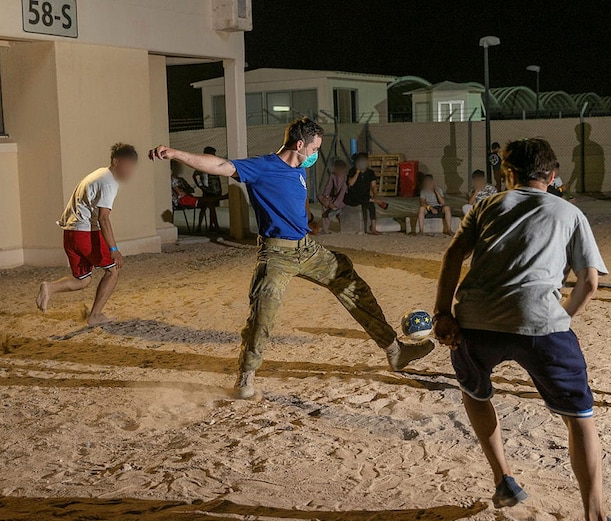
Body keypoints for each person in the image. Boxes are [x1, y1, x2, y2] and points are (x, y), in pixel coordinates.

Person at [433, 138, 611, 521]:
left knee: (475, 391)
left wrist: (442, 314)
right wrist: (561, 318)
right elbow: (589, 283)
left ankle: (503, 480)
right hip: (543, 326)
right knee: (579, 418)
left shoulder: (488, 205)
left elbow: (453, 256)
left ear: (508, 174)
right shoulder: (570, 212)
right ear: (552, 176)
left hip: (477, 322)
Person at [149, 118, 434, 399]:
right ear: (300, 144)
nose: (316, 155)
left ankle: (396, 353)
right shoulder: (263, 167)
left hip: (307, 250)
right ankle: (246, 376)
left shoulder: (299, 169)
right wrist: (175, 153)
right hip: (276, 254)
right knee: (263, 313)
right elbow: (221, 165)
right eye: (314, 149)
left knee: (351, 284)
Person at [36, 143, 138, 326]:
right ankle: (95, 315)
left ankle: (49, 288)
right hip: (84, 233)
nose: (130, 170)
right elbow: (104, 219)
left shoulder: (99, 173)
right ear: (116, 161)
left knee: (82, 280)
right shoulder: (109, 183)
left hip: (70, 233)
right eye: (128, 164)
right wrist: (114, 249)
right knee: (113, 270)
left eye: (132, 166)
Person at [345, 152, 382, 235]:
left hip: (365, 196)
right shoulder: (352, 171)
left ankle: (373, 228)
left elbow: (373, 186)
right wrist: (357, 173)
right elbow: (350, 183)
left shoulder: (370, 173)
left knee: (371, 206)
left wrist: (375, 195)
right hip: (353, 196)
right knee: (366, 200)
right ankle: (372, 200)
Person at [193, 146, 225, 232]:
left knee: (211, 208)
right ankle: (207, 226)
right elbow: (195, 175)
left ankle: (211, 226)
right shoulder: (202, 164)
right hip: (208, 190)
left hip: (215, 190)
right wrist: (201, 186)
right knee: (207, 208)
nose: (214, 155)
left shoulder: (214, 163)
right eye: (212, 153)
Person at [318, 159, 348, 234]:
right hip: (333, 198)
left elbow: (342, 193)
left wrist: (336, 204)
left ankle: (335, 208)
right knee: (321, 199)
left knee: (336, 206)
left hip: (343, 200)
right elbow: (328, 186)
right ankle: (325, 229)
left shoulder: (345, 178)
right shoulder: (333, 175)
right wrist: (326, 196)